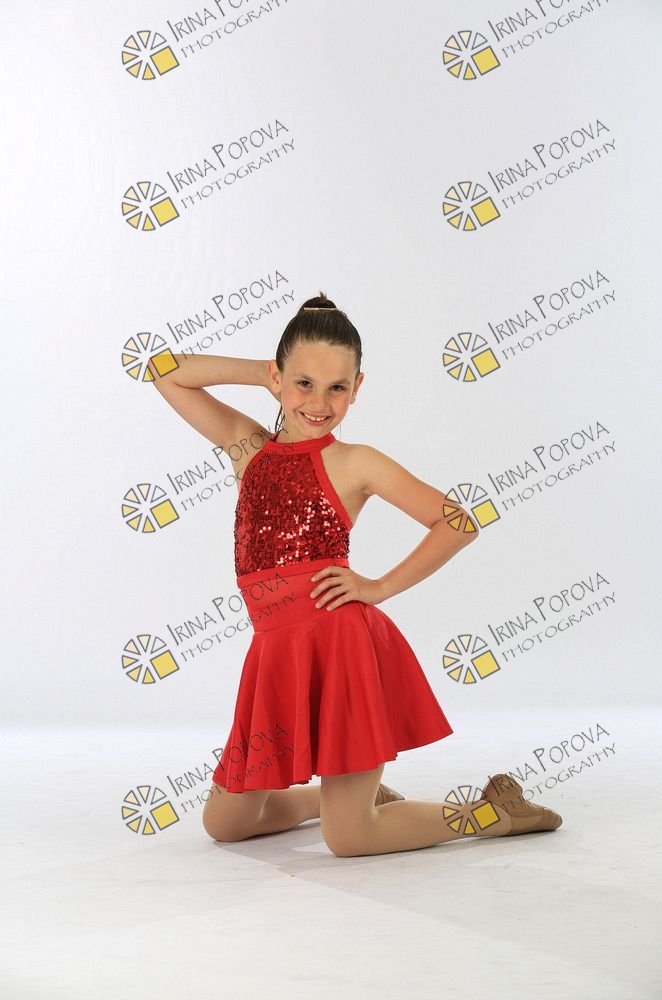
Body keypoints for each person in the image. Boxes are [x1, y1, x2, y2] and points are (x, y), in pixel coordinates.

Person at [147, 291, 563, 857]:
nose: (319, 402)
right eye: (304, 383)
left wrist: (378, 587)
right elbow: (165, 372)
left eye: (337, 387)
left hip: (340, 645)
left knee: (349, 839)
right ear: (278, 377)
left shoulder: (355, 461)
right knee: (225, 824)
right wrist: (268, 374)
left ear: (357, 388)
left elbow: (457, 522)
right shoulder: (250, 449)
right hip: (274, 653)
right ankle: (337, 800)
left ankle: (493, 814)